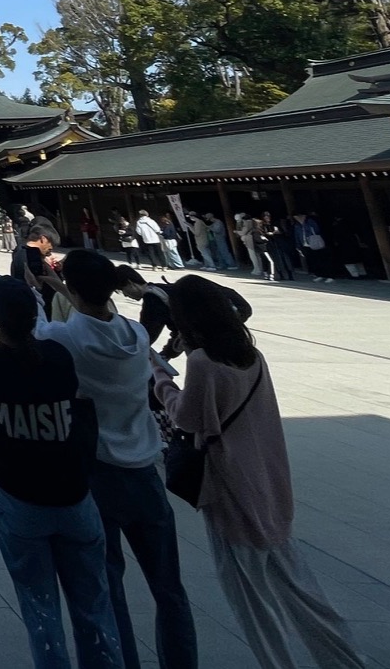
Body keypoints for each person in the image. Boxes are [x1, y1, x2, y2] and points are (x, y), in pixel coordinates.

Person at [151, 277, 364, 669]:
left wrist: (161, 376)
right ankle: (345, 660)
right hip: (269, 483)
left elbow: (185, 416)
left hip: (231, 491)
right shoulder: (251, 355)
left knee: (252, 603)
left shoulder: (201, 362)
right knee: (302, 590)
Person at [0, 272, 123, 669]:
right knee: (94, 607)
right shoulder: (58, 358)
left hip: (20, 499)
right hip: (75, 497)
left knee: (41, 610)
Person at [40, 251, 198, 669]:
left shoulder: (64, 338)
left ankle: (123, 661)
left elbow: (34, 329)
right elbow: (148, 303)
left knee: (107, 586)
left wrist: (43, 291)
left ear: (71, 289)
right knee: (169, 587)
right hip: (144, 469)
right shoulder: (137, 336)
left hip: (98, 472)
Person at [292, 212, 331, 283]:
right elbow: (297, 236)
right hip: (305, 245)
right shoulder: (297, 225)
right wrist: (298, 246)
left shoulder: (310, 222)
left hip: (314, 242)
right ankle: (319, 274)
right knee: (314, 261)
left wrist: (305, 226)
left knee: (322, 260)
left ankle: (329, 275)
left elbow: (317, 230)